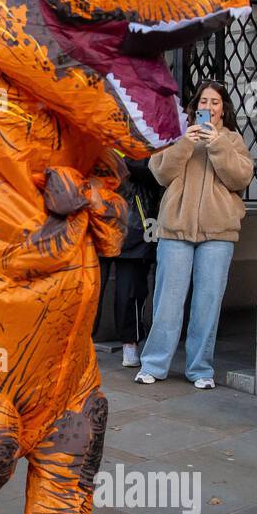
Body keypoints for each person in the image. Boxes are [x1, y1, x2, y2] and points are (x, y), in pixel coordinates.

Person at [136, 80, 254, 389]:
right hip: (175, 230)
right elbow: (159, 172)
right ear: (196, 107)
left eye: (215, 102)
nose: (209, 107)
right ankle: (153, 364)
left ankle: (200, 369)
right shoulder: (178, 135)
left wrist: (216, 144)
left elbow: (239, 178)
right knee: (167, 303)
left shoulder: (232, 140)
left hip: (218, 233)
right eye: (204, 101)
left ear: (223, 108)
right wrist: (184, 143)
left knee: (207, 303)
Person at [96, 154, 163, 367]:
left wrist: (120, 157)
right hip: (100, 221)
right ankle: (81, 344)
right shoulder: (100, 130)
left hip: (137, 224)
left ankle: (130, 342)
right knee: (90, 290)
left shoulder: (150, 133)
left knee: (130, 291)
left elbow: (156, 171)